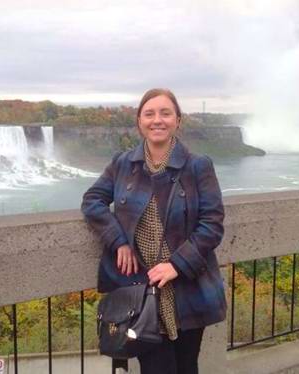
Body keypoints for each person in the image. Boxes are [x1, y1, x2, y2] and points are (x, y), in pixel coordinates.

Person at [81, 88, 226, 374]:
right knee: (155, 368)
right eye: (149, 114)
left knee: (186, 366)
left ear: (178, 121)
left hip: (185, 287)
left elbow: (212, 224)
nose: (157, 120)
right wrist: (117, 241)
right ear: (139, 121)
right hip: (141, 290)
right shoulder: (122, 164)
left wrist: (177, 264)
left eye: (165, 113)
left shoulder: (197, 166)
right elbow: (92, 201)